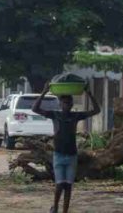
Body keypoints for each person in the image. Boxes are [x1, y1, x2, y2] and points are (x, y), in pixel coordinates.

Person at [32, 83, 100, 213]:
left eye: (69, 103)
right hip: (58, 155)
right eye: (64, 103)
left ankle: (65, 211)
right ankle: (56, 206)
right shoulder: (54, 115)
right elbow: (35, 109)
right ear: (60, 104)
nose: (67, 105)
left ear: (72, 105)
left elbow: (97, 110)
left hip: (71, 155)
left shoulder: (75, 116)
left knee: (68, 186)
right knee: (59, 185)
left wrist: (90, 94)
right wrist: (44, 92)